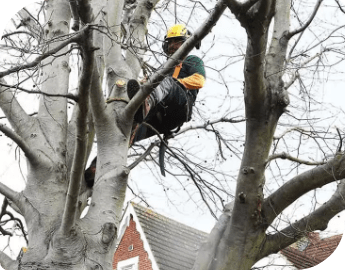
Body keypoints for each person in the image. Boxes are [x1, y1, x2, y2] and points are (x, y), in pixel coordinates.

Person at [127, 24, 206, 143]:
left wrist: (175, 83)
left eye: (177, 41)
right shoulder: (163, 68)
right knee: (125, 133)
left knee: (165, 80)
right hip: (158, 115)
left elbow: (199, 80)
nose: (172, 45)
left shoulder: (191, 60)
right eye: (170, 42)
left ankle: (146, 102)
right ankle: (101, 160)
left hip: (179, 107)